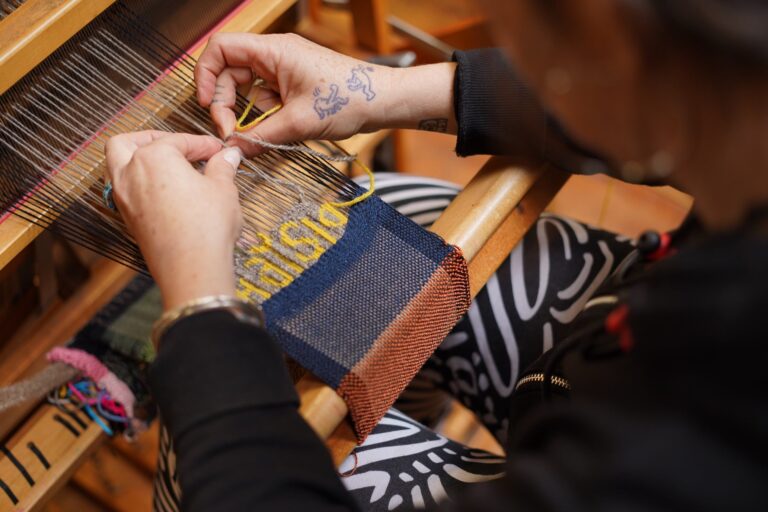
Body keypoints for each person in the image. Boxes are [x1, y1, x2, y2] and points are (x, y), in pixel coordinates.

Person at [105, 0, 768, 510]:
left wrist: (201, 302)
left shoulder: (689, 449)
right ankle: (400, 403)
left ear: (613, 43)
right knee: (387, 228)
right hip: (623, 339)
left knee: (198, 455)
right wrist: (382, 91)